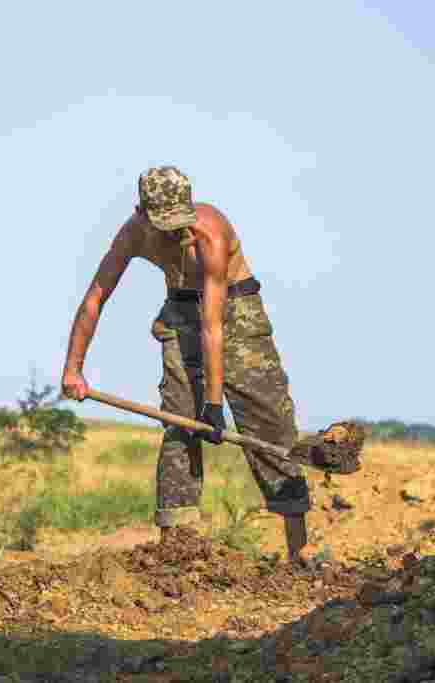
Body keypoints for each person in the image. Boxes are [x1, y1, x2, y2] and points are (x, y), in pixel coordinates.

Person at [61, 165, 320, 567]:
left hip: (236, 311)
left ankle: (299, 549)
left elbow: (213, 327)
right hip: (180, 309)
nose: (176, 232)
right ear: (142, 212)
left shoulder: (209, 233)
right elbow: (95, 298)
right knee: (180, 424)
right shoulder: (133, 233)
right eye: (164, 224)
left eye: (180, 221)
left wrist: (214, 405)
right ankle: (175, 548)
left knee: (269, 424)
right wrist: (73, 368)